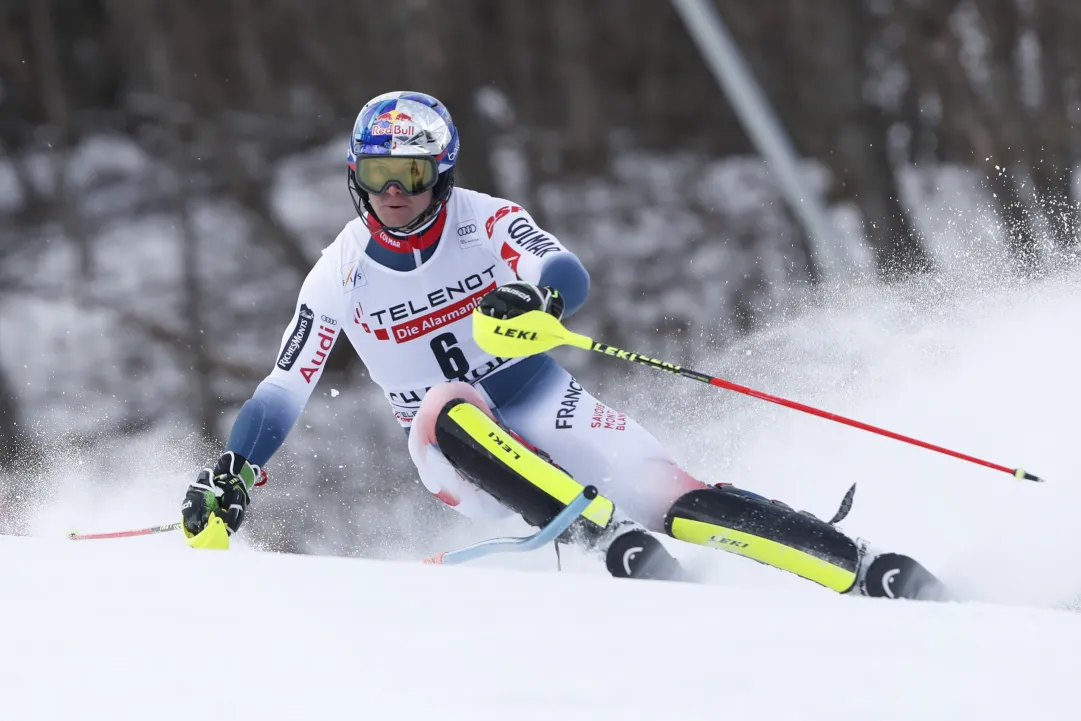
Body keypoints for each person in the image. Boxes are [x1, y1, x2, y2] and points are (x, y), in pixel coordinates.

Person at [180, 91, 945, 600]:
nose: (394, 193)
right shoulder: (339, 272)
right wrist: (239, 470)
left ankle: (860, 566)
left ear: (440, 174)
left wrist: (537, 297)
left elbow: (561, 270)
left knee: (677, 497)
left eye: (411, 175)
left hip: (542, 397)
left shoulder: (483, 218)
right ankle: (596, 535)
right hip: (448, 449)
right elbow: (284, 385)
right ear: (357, 177)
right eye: (379, 175)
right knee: (447, 402)